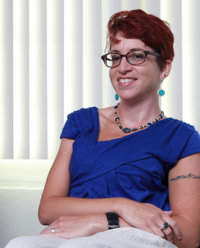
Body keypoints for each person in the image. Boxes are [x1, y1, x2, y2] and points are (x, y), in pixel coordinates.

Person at [5, 9, 200, 248]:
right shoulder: (81, 123)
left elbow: (189, 233)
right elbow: (47, 209)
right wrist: (122, 205)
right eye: (115, 57)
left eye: (136, 55)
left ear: (164, 68)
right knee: (19, 244)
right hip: (70, 233)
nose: (122, 67)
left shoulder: (181, 137)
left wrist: (106, 222)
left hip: (136, 238)